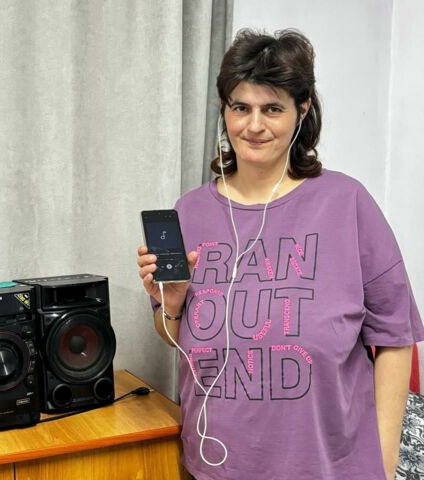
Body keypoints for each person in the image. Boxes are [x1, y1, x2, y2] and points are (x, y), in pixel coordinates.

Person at [137, 29, 424, 480]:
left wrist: (384, 466)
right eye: (240, 108)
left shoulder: (347, 203)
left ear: (302, 110)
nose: (253, 126)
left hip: (330, 470)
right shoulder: (189, 212)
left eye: (272, 108)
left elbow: (395, 338)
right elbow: (173, 337)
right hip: (215, 466)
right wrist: (171, 305)